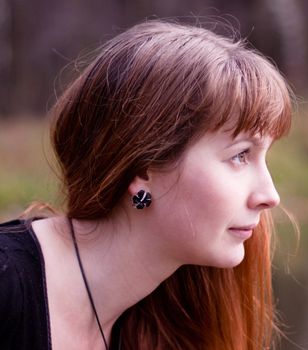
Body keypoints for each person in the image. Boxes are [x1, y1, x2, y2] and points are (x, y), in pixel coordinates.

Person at [0, 19, 293, 350]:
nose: (270, 196)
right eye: (240, 155)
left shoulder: (172, 315)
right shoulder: (8, 289)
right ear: (143, 169)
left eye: (263, 157)